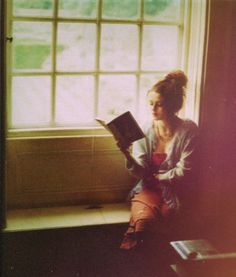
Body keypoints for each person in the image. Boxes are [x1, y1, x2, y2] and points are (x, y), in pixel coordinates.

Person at [118, 70, 199, 250]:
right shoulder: (146, 128)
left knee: (168, 224)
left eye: (159, 105)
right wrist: (126, 154)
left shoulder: (189, 130)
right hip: (148, 189)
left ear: (173, 106)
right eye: (150, 103)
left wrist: (160, 178)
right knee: (144, 224)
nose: (152, 109)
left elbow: (185, 171)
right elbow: (141, 172)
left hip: (177, 192)